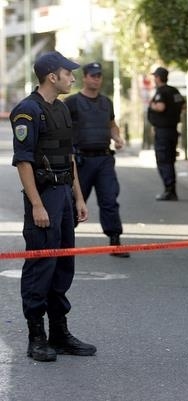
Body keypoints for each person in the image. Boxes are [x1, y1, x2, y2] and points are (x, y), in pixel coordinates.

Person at [10, 51, 97, 362]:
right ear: (51, 76)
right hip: (43, 195)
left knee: (63, 264)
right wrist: (36, 205)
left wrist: (78, 197)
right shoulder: (27, 111)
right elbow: (23, 161)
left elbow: (68, 156)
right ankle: (37, 336)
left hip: (63, 196)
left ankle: (59, 332)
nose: (73, 77)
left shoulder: (60, 109)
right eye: (68, 72)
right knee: (40, 265)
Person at [64, 62, 129, 258]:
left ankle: (115, 241)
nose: (96, 79)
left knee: (109, 199)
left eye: (99, 75)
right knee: (74, 201)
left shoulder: (106, 102)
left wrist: (117, 137)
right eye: (92, 75)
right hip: (81, 160)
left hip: (103, 159)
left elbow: (112, 124)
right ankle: (64, 243)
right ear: (84, 77)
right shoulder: (72, 102)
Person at [147, 66, 185, 201]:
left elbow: (161, 106)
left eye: (154, 77)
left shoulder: (161, 92)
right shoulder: (174, 91)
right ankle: (171, 189)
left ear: (158, 78)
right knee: (169, 160)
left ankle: (169, 190)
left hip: (163, 132)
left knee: (163, 160)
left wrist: (151, 105)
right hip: (172, 130)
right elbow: (182, 105)